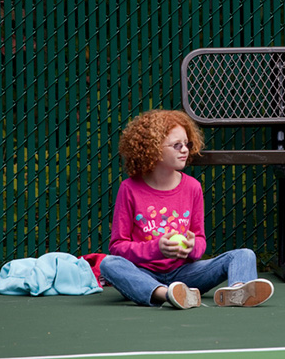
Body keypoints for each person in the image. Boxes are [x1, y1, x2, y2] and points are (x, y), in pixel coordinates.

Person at [99, 109, 274, 308]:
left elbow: (199, 240)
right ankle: (167, 295)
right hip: (143, 274)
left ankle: (238, 290)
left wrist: (192, 248)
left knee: (244, 254)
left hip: (185, 274)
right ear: (152, 148)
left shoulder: (192, 187)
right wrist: (157, 249)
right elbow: (118, 247)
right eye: (176, 145)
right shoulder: (129, 189)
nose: (185, 150)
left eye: (187, 144)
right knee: (109, 264)